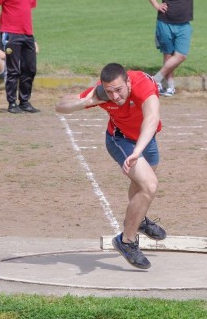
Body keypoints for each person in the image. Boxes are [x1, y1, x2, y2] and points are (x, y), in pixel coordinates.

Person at [55, 63, 167, 270]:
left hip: (145, 139)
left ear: (128, 81)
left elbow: (152, 118)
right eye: (109, 91)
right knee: (149, 185)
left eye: (118, 90)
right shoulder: (101, 92)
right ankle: (126, 241)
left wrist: (138, 151)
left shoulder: (143, 85)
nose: (114, 96)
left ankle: (138, 219)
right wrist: (87, 101)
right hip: (120, 139)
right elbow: (60, 106)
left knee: (142, 184)